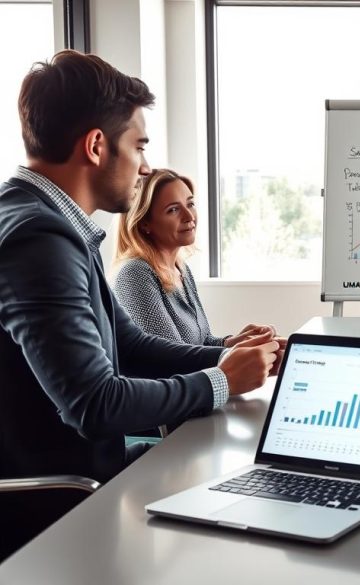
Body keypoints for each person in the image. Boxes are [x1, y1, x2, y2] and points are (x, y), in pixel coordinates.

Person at [0, 50, 279, 557]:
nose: (145, 166)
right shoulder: (38, 237)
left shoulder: (53, 224)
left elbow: (128, 344)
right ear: (97, 146)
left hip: (87, 475)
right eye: (140, 146)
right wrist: (220, 381)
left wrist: (230, 359)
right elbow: (95, 405)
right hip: (59, 502)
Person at [114, 169, 276, 346]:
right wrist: (236, 353)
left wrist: (231, 343)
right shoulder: (135, 274)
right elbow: (171, 359)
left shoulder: (180, 268)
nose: (189, 216)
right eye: (173, 210)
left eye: (190, 204)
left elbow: (201, 343)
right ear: (144, 222)